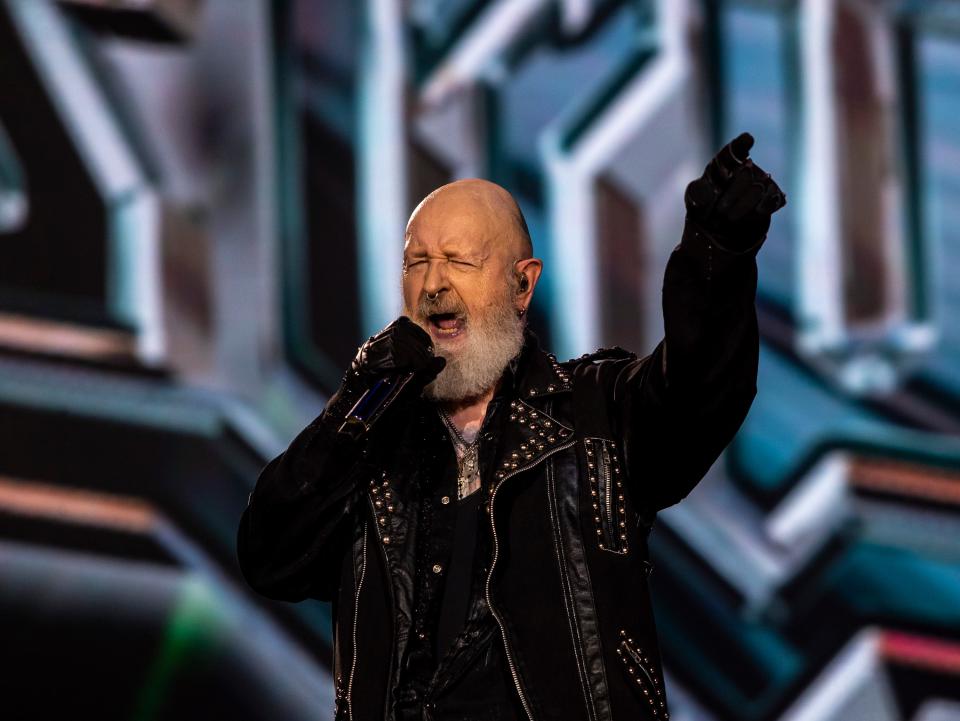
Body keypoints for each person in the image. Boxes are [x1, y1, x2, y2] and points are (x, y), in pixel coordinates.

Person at [236, 132, 786, 721]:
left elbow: (702, 390)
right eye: (417, 262)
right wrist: (353, 410)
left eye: (460, 261)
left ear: (522, 284)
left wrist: (716, 251)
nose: (433, 284)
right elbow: (271, 556)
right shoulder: (372, 449)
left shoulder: (594, 415)